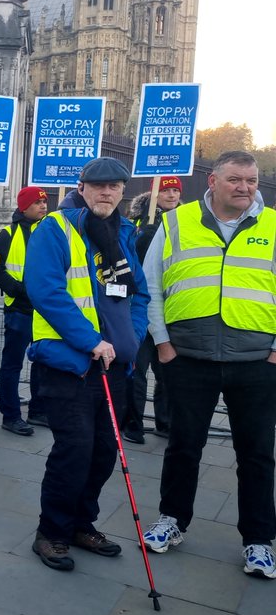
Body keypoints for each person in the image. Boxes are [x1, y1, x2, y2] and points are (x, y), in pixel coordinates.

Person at [142, 152, 276, 580]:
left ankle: (258, 540)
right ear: (213, 181)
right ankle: (172, 521)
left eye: (252, 180)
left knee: (256, 454)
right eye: (235, 179)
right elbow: (151, 286)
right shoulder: (176, 221)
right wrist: (162, 344)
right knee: (182, 447)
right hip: (189, 359)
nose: (245, 187)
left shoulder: (272, 225)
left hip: (256, 361)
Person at [25, 157, 148, 572]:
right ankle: (52, 533)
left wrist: (131, 339)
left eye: (114, 186)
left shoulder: (125, 233)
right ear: (82, 187)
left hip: (116, 368)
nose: (106, 193)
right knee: (74, 451)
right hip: (70, 365)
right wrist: (91, 341)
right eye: (98, 186)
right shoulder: (55, 228)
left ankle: (82, 524)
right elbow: (45, 291)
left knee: (102, 454)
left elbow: (139, 295)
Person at [0, 186, 50, 437]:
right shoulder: (7, 234)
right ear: (24, 207)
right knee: (12, 364)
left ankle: (38, 410)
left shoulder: (49, 231)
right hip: (19, 310)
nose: (43, 206)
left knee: (42, 361)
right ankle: (11, 416)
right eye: (37, 203)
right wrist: (20, 289)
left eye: (44, 202)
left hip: (44, 310)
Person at [122, 176, 183, 443]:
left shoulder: (184, 224)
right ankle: (132, 424)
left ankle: (165, 423)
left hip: (167, 309)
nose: (171, 195)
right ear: (155, 194)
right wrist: (139, 240)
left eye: (175, 191)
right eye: (166, 190)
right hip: (137, 307)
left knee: (167, 372)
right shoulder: (138, 222)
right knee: (137, 372)